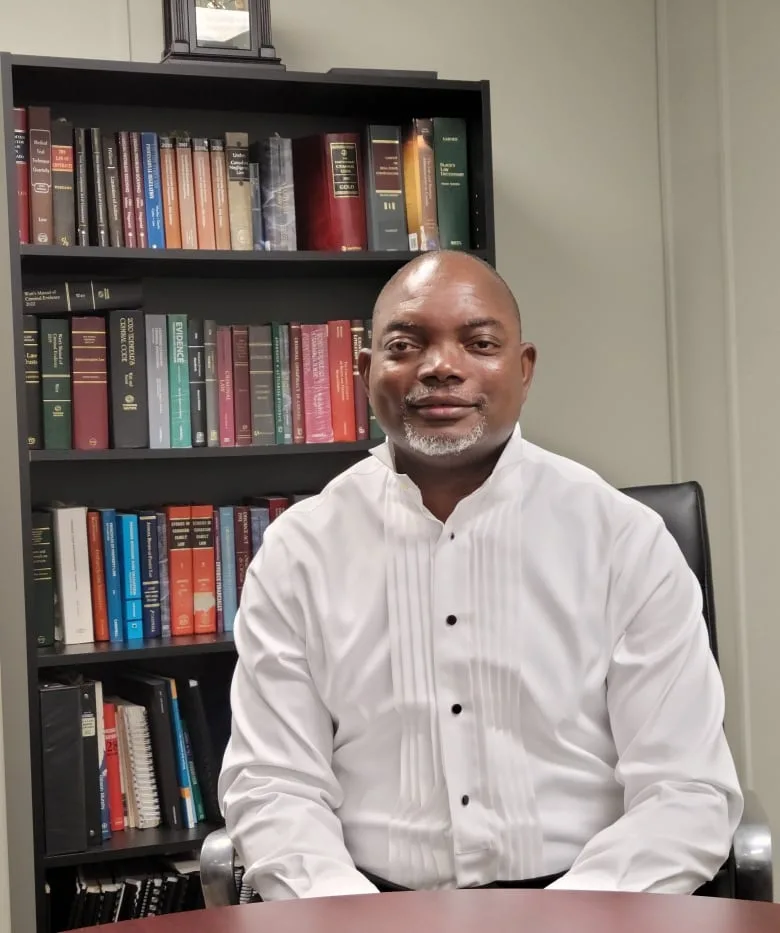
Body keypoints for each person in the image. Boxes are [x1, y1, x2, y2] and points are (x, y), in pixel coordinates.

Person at [218, 249, 743, 901]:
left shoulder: (623, 539)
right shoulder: (297, 551)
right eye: (407, 343)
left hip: (589, 901)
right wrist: (347, 919)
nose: (441, 366)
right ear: (365, 370)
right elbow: (275, 784)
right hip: (364, 903)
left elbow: (684, 791)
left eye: (479, 342)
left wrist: (561, 921)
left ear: (522, 370)